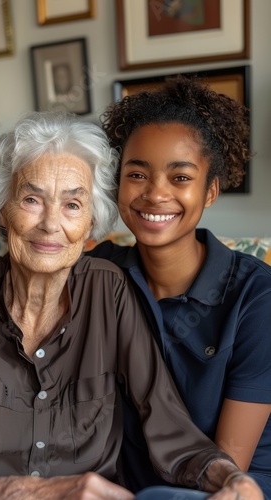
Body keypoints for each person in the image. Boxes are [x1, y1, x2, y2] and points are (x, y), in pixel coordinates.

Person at [0, 112, 263, 500]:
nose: (50, 224)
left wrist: (231, 480)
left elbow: (169, 427)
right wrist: (23, 491)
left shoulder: (109, 291)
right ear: (2, 209)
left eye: (73, 204)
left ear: (92, 220)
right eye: (31, 199)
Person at [88, 76, 271, 497]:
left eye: (180, 178)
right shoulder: (99, 273)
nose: (155, 194)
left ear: (210, 191)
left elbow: (228, 466)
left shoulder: (255, 297)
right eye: (137, 174)